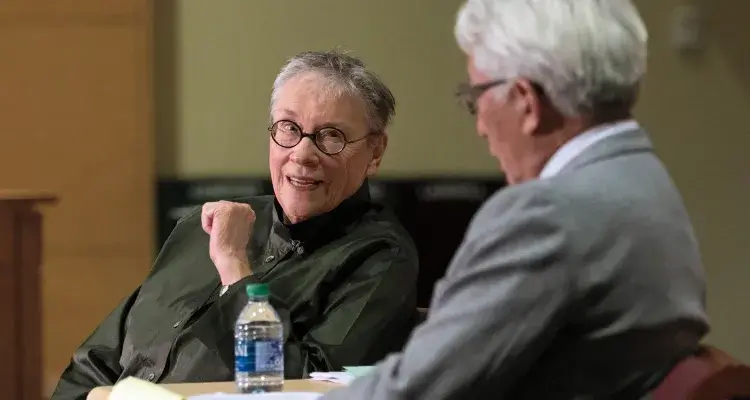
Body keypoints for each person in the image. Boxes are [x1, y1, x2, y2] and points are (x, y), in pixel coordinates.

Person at [322, 1, 709, 399]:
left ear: (525, 101)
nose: (480, 126)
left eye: (477, 97)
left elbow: (418, 389)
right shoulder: (647, 180)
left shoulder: (545, 215)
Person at [51, 51, 419, 400]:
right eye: (289, 128)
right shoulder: (205, 226)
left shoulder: (382, 257)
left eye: (331, 136)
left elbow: (303, 388)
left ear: (375, 152)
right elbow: (92, 364)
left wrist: (234, 270)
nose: (303, 154)